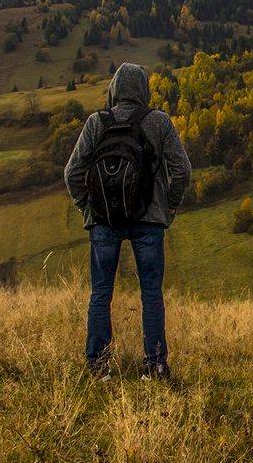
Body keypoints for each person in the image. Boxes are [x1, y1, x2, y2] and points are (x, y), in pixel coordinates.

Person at [65, 63, 192, 380]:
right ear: (143, 89)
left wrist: (88, 209)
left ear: (115, 89)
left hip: (104, 222)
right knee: (151, 293)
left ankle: (98, 367)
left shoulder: (97, 122)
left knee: (100, 294)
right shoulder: (158, 122)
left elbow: (72, 173)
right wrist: (169, 207)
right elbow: (182, 171)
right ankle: (155, 365)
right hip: (149, 220)